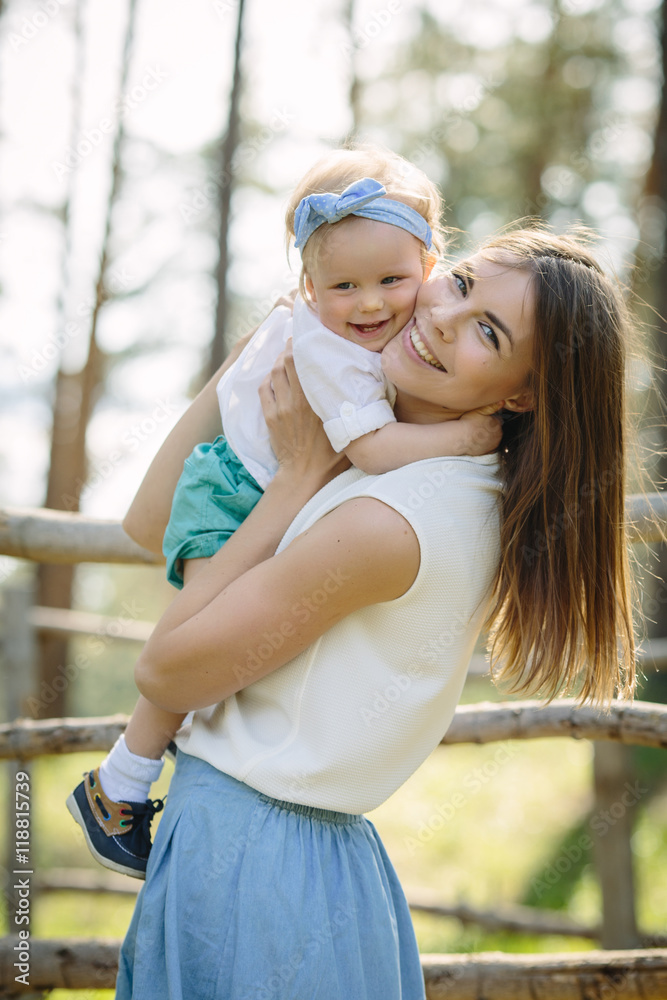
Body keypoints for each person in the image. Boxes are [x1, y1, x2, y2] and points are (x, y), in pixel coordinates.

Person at [111, 224, 635, 999]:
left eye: (486, 332)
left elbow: (165, 671)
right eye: (458, 284)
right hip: (292, 859)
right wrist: (276, 337)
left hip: (256, 870)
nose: (439, 319)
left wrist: (292, 483)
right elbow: (150, 522)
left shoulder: (393, 517)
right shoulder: (397, 450)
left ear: (521, 393)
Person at [67, 146, 504, 879]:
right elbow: (364, 449)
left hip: (255, 487)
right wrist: (459, 435)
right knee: (191, 653)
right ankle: (120, 782)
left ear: (428, 259)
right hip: (232, 487)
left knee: (206, 653)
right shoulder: (329, 348)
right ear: (307, 284)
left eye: (393, 281)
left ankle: (142, 766)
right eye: (343, 286)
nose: (370, 305)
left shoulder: (376, 341)